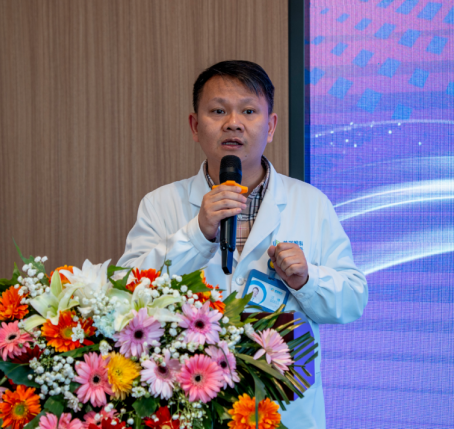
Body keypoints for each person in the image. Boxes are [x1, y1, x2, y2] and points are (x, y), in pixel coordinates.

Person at [118, 60, 368, 429]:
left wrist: (307, 280)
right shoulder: (161, 204)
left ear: (271, 126)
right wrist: (197, 232)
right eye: (218, 111)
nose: (233, 123)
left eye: (249, 111)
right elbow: (125, 294)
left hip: (285, 410)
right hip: (190, 405)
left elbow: (352, 300)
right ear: (195, 126)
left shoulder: (310, 203)